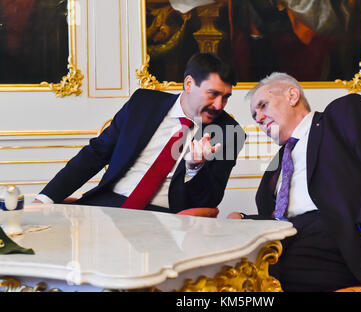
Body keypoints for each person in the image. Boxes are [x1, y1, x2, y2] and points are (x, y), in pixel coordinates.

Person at [227, 72, 361, 291]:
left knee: (253, 274)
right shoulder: (278, 162)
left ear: (292, 95)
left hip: (342, 240)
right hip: (288, 238)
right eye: (254, 115)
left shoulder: (341, 114)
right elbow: (278, 217)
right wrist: (242, 218)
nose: (259, 118)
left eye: (263, 105)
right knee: (227, 265)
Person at [33, 53, 246, 214]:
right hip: (106, 205)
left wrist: (194, 169)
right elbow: (95, 154)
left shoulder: (228, 133)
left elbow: (210, 201)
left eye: (225, 97)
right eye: (213, 94)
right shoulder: (143, 104)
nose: (219, 105)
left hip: (165, 219)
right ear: (189, 83)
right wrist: (45, 199)